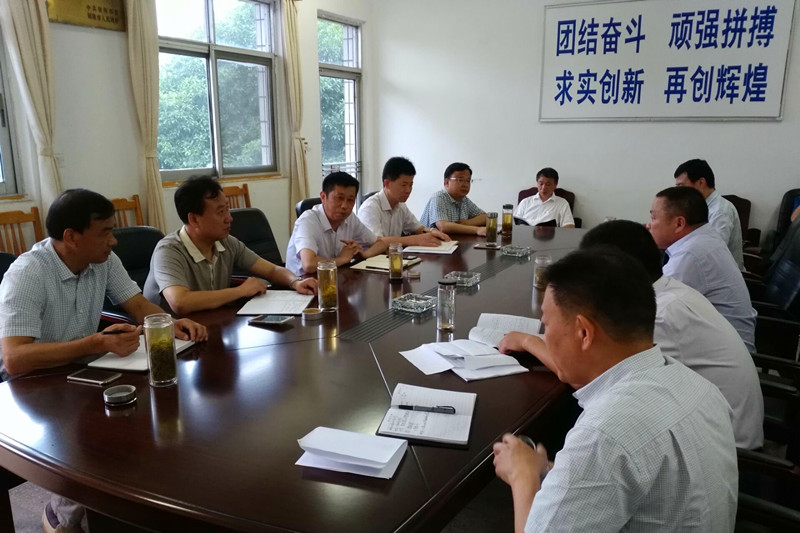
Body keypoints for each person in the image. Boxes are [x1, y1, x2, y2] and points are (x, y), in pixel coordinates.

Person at [0, 189, 207, 533]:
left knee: (153, 415)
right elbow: (15, 359)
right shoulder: (28, 273)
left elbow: (138, 306)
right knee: (100, 442)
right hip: (32, 387)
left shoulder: (103, 260)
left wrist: (170, 322)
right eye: (105, 232)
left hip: (83, 369)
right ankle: (62, 516)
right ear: (71, 237)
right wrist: (95, 342)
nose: (113, 241)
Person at [495, 250, 737, 532]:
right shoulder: (699, 387)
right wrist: (556, 472)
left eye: (546, 325)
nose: (544, 336)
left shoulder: (604, 434)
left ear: (584, 333)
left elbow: (609, 451)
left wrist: (522, 477)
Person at [579, 220, 763, 449]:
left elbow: (599, 380)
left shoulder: (659, 316)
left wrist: (539, 340)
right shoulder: (671, 290)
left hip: (727, 449)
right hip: (716, 424)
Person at [144, 177, 317, 314]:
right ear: (194, 219)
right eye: (221, 212)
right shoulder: (168, 251)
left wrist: (295, 282)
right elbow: (180, 302)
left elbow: (272, 270)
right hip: (171, 336)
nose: (229, 218)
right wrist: (240, 291)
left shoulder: (226, 242)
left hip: (210, 325)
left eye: (227, 209)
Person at [647, 186, 756, 352]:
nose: (649, 225)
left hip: (724, 353)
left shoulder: (691, 255)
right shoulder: (705, 237)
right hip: (724, 343)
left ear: (679, 223)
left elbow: (651, 305)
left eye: (653, 217)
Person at [286, 171, 387, 276]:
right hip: (301, 281)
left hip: (333, 278)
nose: (344, 206)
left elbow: (380, 244)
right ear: (323, 197)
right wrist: (342, 259)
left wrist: (364, 254)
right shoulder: (308, 221)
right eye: (339, 198)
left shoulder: (350, 218)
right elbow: (309, 264)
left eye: (350, 200)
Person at [358, 156, 451, 246]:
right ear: (387, 183)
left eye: (411, 185)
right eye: (403, 185)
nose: (408, 190)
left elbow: (418, 229)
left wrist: (432, 231)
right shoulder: (369, 208)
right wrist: (414, 240)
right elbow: (377, 243)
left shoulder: (401, 206)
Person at [674, 158, 744, 269]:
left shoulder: (720, 212)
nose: (678, 192)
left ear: (701, 182)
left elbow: (712, 254)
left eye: (681, 186)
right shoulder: (697, 206)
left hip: (719, 272)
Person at [418, 162, 487, 235]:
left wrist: (468, 223)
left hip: (452, 240)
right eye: (460, 180)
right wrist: (477, 230)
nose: (465, 185)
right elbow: (443, 227)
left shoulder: (464, 200)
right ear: (447, 182)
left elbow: (486, 217)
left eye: (468, 181)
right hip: (428, 241)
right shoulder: (438, 197)